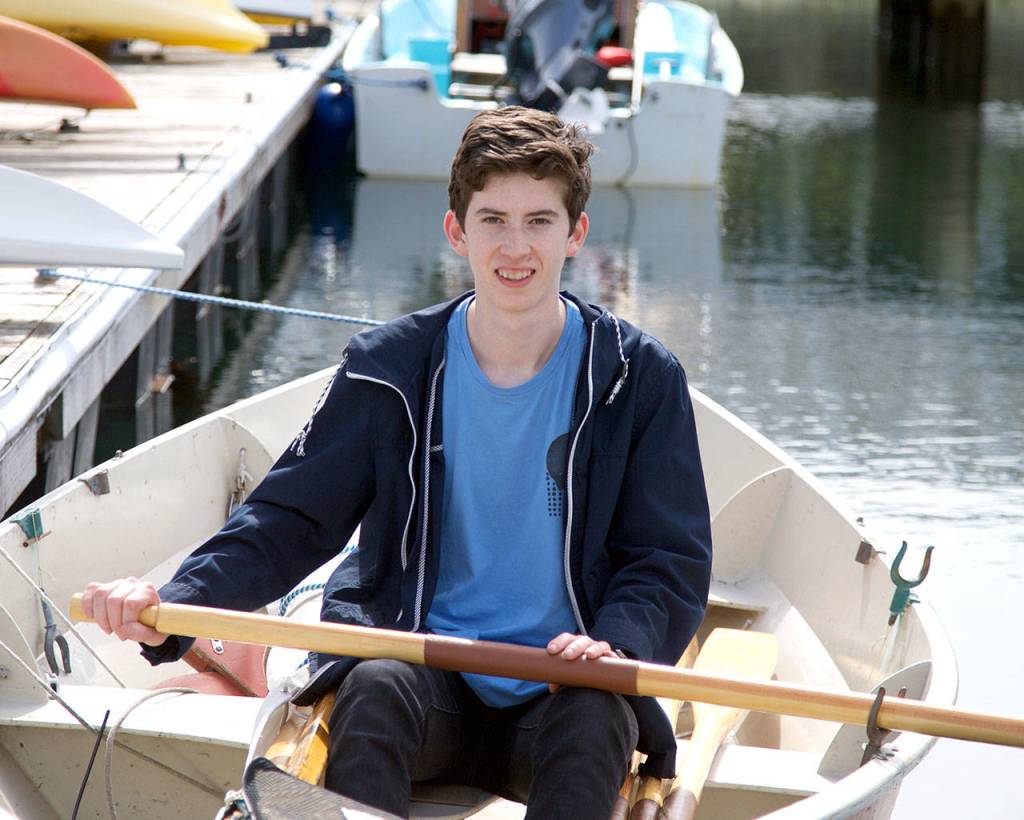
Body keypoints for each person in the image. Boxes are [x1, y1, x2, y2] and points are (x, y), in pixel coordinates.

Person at [82, 106, 712, 818]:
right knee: (374, 686)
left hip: (562, 687)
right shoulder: (389, 369)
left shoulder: (639, 377)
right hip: (423, 672)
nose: (515, 246)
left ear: (576, 236)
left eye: (539, 221)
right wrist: (176, 605)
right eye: (492, 219)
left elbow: (667, 558)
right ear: (456, 231)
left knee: (599, 714)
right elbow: (290, 517)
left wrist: (613, 644)